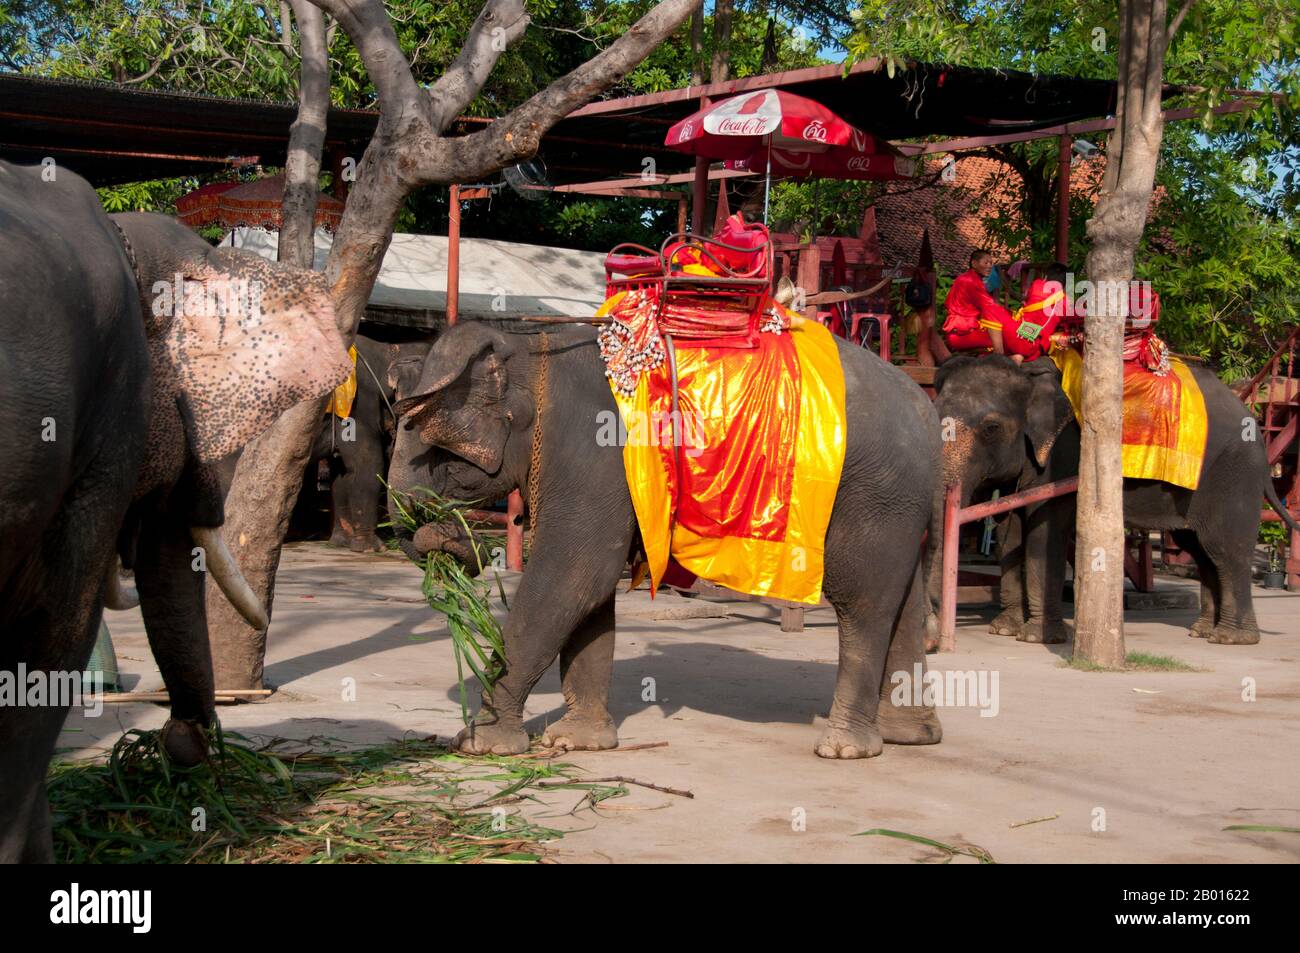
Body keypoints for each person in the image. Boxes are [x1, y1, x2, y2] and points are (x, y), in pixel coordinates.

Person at [942, 249, 1019, 359]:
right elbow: (991, 308)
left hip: (954, 331)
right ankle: (998, 363)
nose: (989, 266)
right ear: (974, 263)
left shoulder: (962, 278)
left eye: (991, 263)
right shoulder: (971, 281)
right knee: (1006, 338)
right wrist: (1014, 316)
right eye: (985, 263)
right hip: (965, 333)